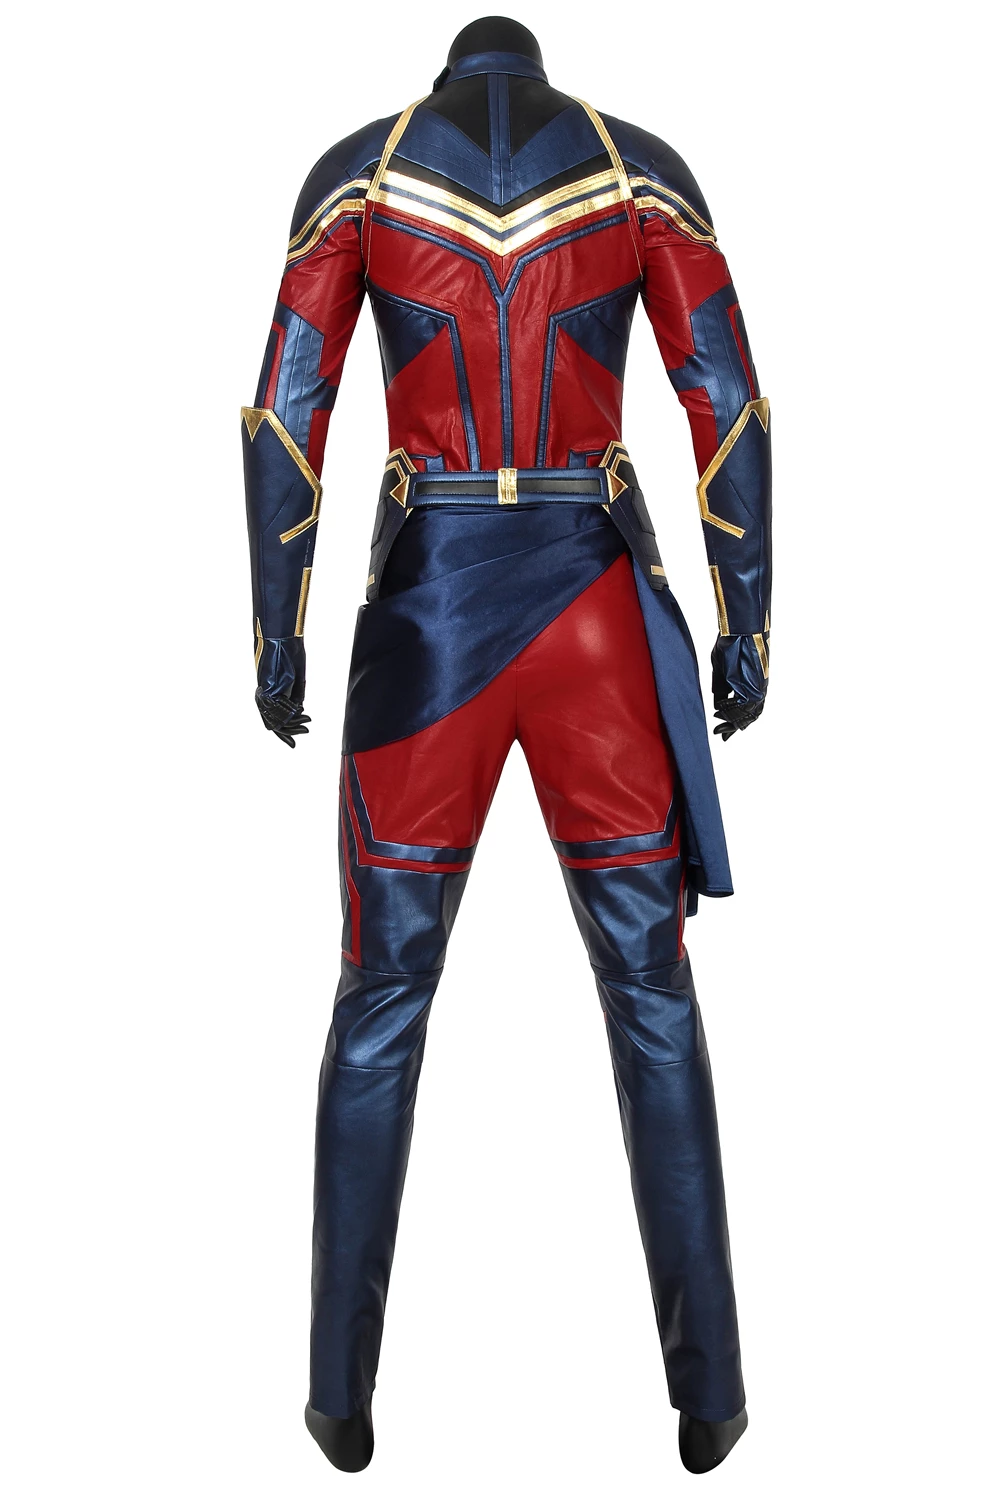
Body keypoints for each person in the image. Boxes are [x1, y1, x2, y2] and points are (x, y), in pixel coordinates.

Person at [242, 15, 770, 1475]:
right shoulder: (636, 170)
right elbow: (725, 400)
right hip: (596, 612)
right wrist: (750, 615)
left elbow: (288, 415)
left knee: (380, 996)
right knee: (652, 993)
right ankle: (712, 1397)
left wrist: (276, 625)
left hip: (429, 622)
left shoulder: (360, 176)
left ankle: (337, 1398)